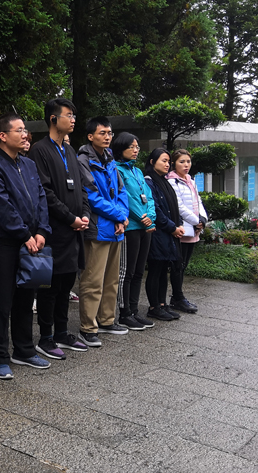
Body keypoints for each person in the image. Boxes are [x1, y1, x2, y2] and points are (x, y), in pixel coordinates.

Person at [0, 114, 52, 380]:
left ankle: (23, 349)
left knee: (26, 296)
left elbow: (42, 198)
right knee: (2, 299)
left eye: (25, 130)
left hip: (34, 240)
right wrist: (24, 234)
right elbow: (1, 207)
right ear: (3, 136)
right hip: (6, 243)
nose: (25, 134)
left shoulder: (30, 164)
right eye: (19, 130)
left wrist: (43, 231)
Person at [28, 99, 90, 358]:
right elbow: (45, 192)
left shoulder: (70, 149)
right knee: (49, 286)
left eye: (74, 115)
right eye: (68, 115)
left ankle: (63, 332)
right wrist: (70, 218)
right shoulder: (39, 150)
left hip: (75, 230)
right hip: (54, 230)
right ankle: (46, 336)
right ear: (53, 119)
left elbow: (83, 187)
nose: (73, 119)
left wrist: (85, 214)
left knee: (67, 283)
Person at [76, 116, 130, 348]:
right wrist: (119, 215)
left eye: (110, 133)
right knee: (93, 280)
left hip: (116, 228)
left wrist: (123, 217)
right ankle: (88, 327)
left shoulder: (110, 160)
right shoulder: (83, 160)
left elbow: (121, 191)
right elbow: (91, 195)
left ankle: (107, 320)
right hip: (98, 228)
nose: (108, 137)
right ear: (90, 136)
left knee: (112, 279)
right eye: (102, 133)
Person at [112, 132, 156, 331]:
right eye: (132, 146)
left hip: (145, 227)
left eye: (137, 146)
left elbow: (149, 196)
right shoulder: (117, 170)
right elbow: (126, 198)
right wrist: (142, 217)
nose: (136, 150)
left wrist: (151, 217)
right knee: (127, 272)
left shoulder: (137, 172)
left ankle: (134, 310)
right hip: (131, 227)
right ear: (121, 148)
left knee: (139, 271)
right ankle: (124, 313)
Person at [144, 149, 185, 321]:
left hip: (167, 233)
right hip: (158, 232)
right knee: (155, 270)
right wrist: (172, 227)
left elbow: (171, 207)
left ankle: (162, 304)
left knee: (163, 271)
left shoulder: (163, 181)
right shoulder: (149, 181)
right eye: (164, 161)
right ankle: (154, 306)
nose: (167, 164)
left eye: (168, 161)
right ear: (152, 162)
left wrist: (178, 225)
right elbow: (157, 211)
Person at [167, 149, 207, 314]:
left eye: (188, 162)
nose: (186, 165)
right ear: (174, 164)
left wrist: (203, 220)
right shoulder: (172, 181)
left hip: (194, 230)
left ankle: (178, 298)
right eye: (182, 162)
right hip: (183, 229)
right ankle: (178, 298)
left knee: (184, 266)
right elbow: (179, 206)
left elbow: (198, 200)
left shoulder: (190, 180)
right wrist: (195, 221)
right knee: (178, 266)